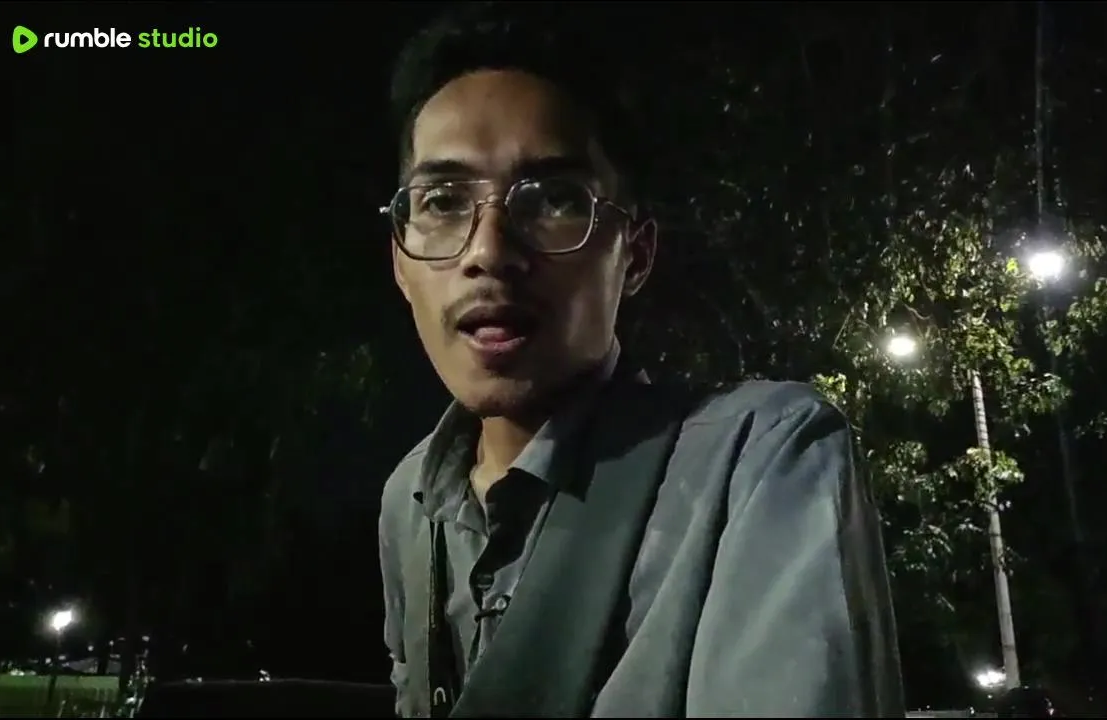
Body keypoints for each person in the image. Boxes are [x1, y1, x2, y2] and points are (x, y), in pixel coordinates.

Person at [378, 5, 905, 717]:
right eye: (443, 201)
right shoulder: (410, 501)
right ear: (401, 260)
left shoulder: (759, 459)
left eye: (554, 200)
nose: (489, 251)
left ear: (635, 254)